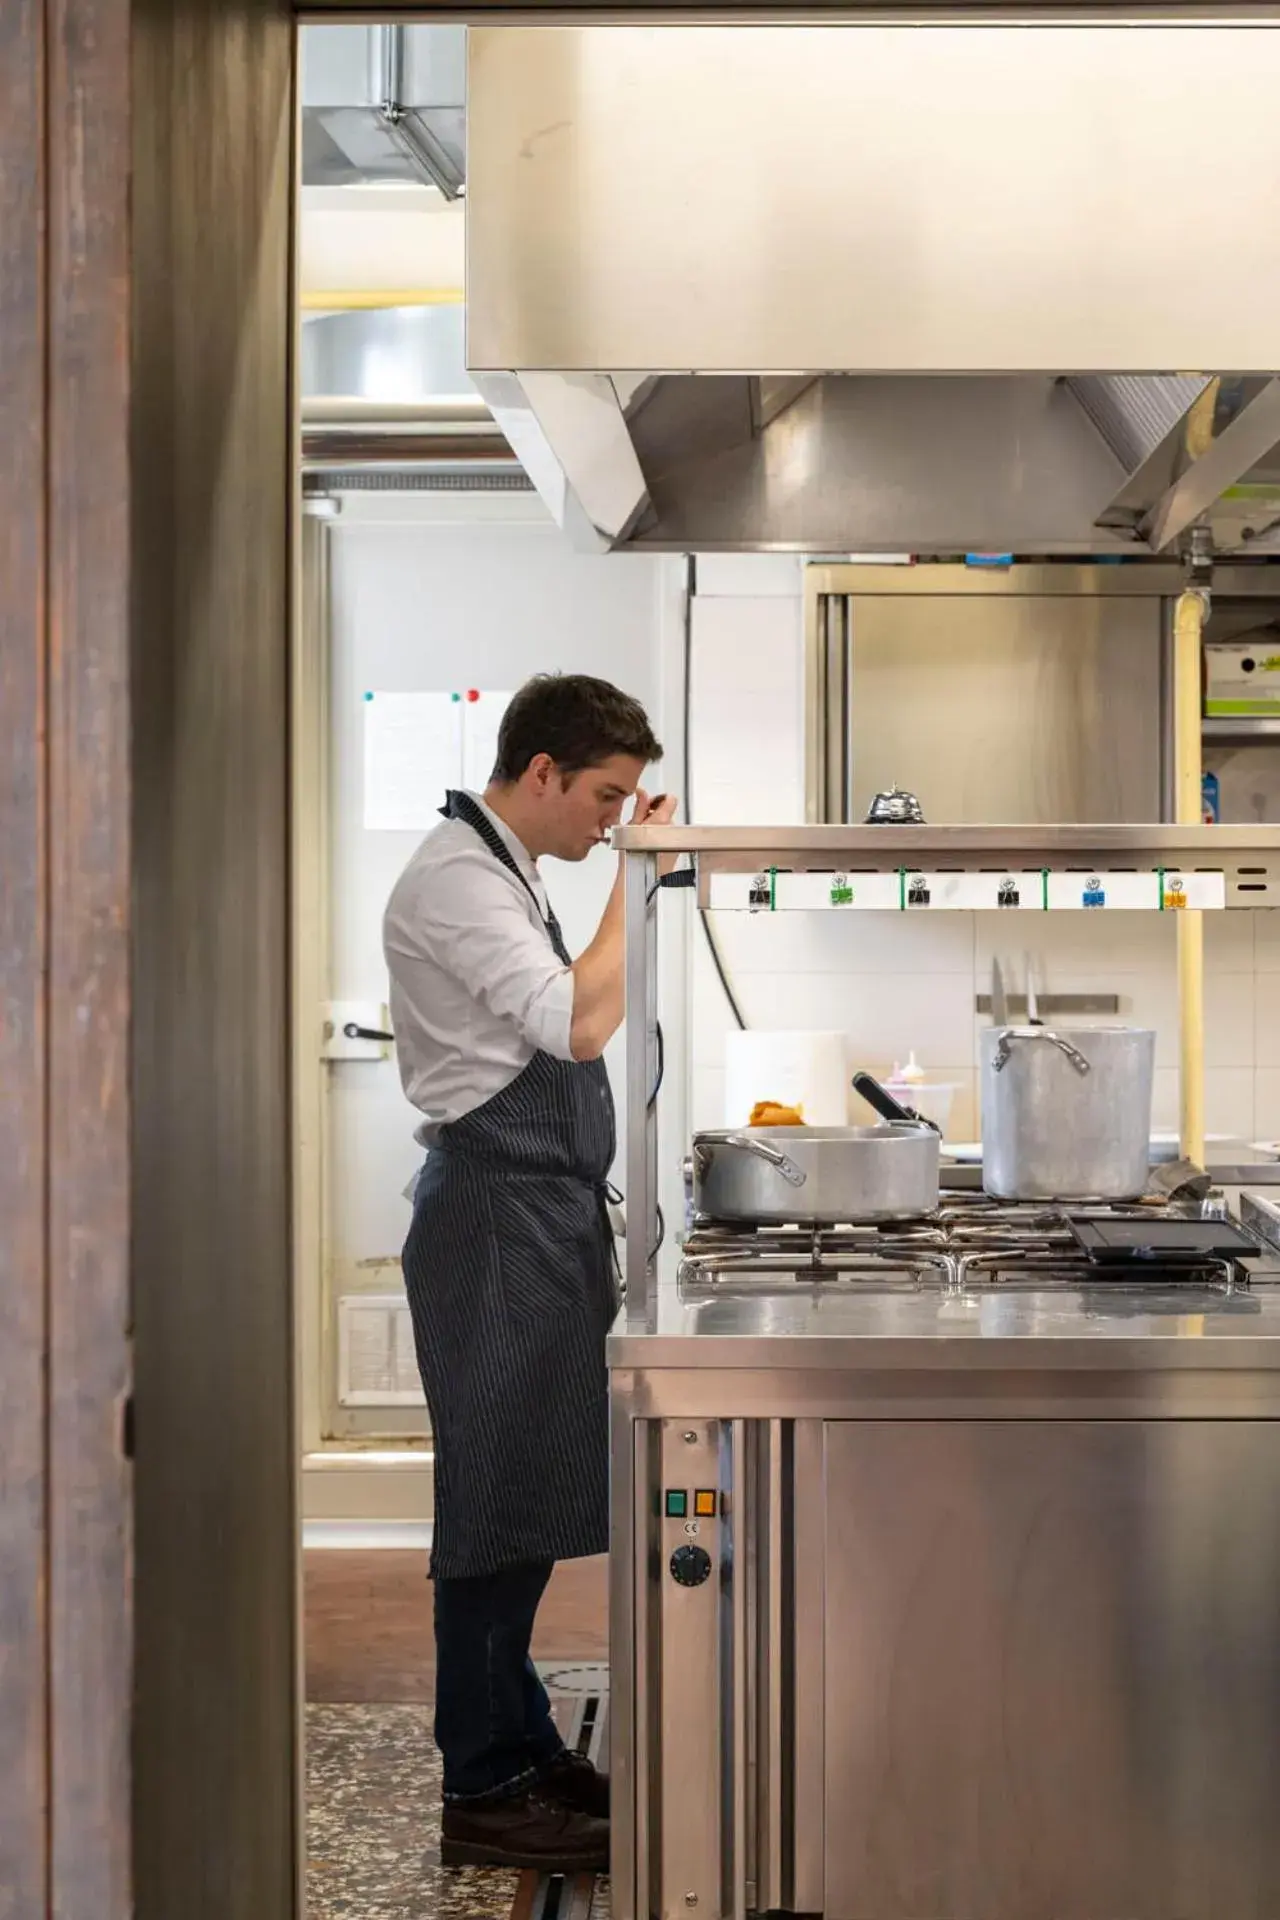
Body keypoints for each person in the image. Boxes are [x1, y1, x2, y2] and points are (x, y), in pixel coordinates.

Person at [384, 673, 676, 1872]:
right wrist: (633, 880)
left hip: (536, 1217)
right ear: (542, 772)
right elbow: (576, 1025)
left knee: (531, 1494)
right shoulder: (457, 878)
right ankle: (483, 1783)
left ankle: (522, 1742)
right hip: (495, 1222)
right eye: (602, 796)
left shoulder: (500, 870)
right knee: (495, 1505)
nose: (609, 819)